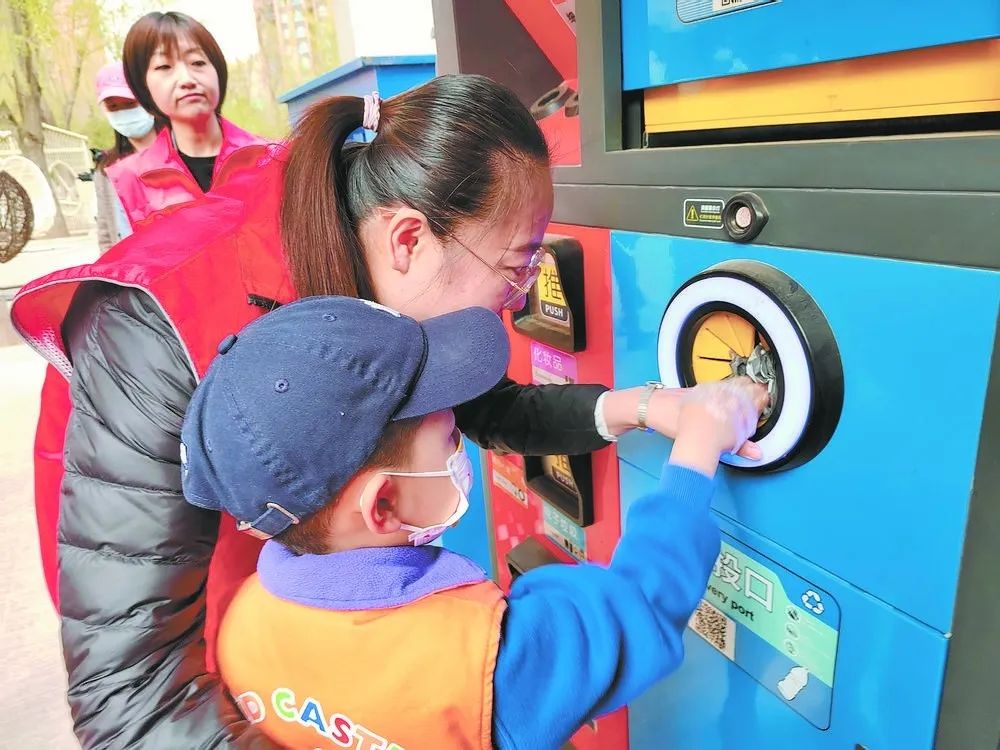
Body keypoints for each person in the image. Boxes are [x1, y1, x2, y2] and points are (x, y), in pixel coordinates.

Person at [12, 74, 761, 748]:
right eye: (516, 267)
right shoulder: (160, 325)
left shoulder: (269, 615)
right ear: (408, 239)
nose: (519, 303)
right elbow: (132, 700)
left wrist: (641, 405)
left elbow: (479, 402)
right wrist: (695, 461)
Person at [180, 295, 767, 750]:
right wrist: (698, 447)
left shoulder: (241, 623)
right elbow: (639, 606)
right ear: (383, 506)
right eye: (450, 437)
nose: (461, 446)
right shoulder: (482, 664)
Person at [108, 11, 267, 228]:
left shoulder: (271, 158)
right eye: (164, 67)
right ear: (144, 86)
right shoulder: (130, 180)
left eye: (198, 62)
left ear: (218, 71)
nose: (187, 79)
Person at [92, 61, 157, 253]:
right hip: (132, 264)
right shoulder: (106, 170)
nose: (123, 112)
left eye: (130, 104)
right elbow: (106, 232)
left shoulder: (178, 155)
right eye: (113, 106)